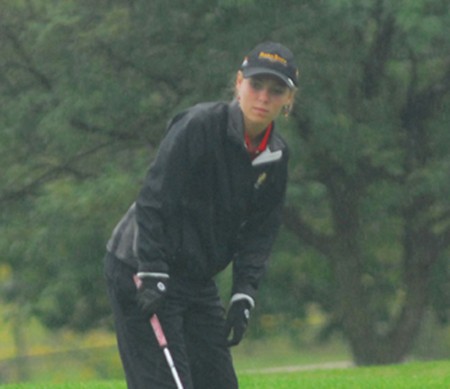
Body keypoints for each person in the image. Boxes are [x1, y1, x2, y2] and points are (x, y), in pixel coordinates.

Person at [104, 41, 298, 389]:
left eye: (276, 90)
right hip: (141, 266)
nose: (263, 97)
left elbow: (260, 232)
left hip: (196, 278)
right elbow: (152, 200)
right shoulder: (199, 126)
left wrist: (244, 292)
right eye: (256, 85)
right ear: (239, 83)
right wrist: (152, 271)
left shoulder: (276, 157)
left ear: (288, 100)